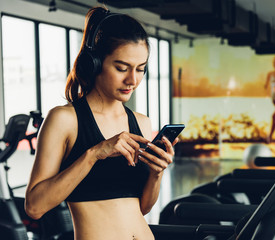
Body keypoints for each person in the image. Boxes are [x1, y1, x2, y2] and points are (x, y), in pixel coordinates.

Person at [25, 6, 178, 240]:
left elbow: (143, 208)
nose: (133, 80)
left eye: (141, 69)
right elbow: (34, 207)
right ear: (94, 64)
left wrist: (156, 173)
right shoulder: (64, 119)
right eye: (121, 68)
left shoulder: (141, 123)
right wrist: (95, 153)